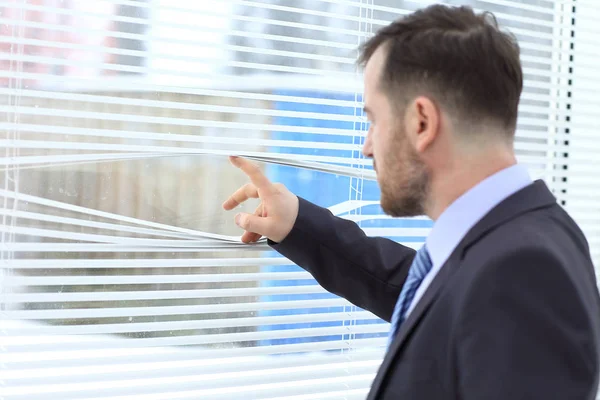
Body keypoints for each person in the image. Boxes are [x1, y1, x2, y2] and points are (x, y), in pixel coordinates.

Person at [222, 4, 600, 400]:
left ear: (422, 122)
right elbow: (427, 295)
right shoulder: (514, 238)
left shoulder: (521, 272)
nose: (366, 146)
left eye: (373, 120)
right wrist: (298, 223)